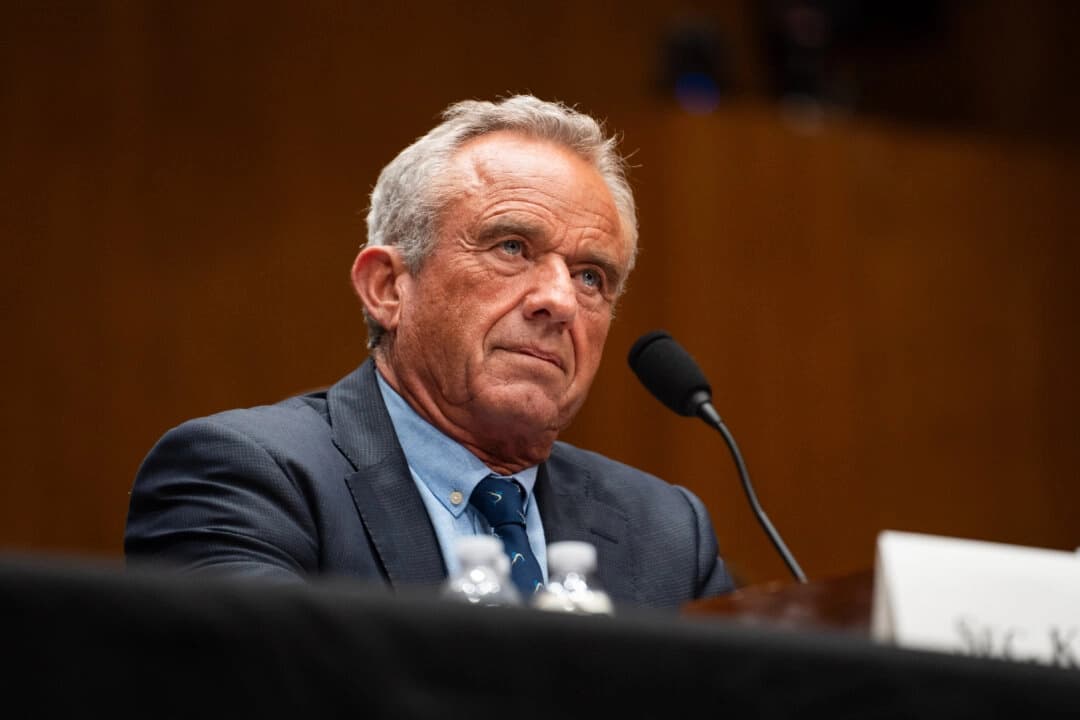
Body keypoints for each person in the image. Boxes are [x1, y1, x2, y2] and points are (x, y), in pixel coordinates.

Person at [124, 95, 736, 610]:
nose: (560, 301)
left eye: (591, 277)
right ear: (389, 288)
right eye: (513, 247)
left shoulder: (669, 534)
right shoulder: (247, 478)